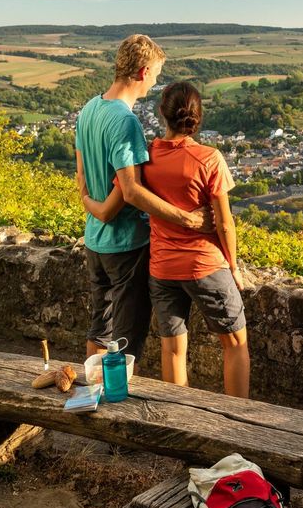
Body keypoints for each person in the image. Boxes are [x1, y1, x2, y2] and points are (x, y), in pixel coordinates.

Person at [83, 81, 249, 398]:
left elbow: (128, 191)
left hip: (161, 268)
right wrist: (234, 265)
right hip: (204, 265)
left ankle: (176, 416)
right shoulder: (209, 159)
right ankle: (237, 416)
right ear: (198, 118)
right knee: (235, 342)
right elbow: (225, 223)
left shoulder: (145, 157)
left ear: (162, 113)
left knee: (173, 348)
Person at [75, 35, 211, 365]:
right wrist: (188, 219)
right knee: (124, 341)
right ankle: (114, 408)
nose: (154, 84)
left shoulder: (90, 109)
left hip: (94, 241)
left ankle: (90, 401)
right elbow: (131, 190)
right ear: (143, 71)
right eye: (155, 75)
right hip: (125, 245)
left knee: (99, 331)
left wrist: (92, 206)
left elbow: (82, 178)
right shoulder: (125, 122)